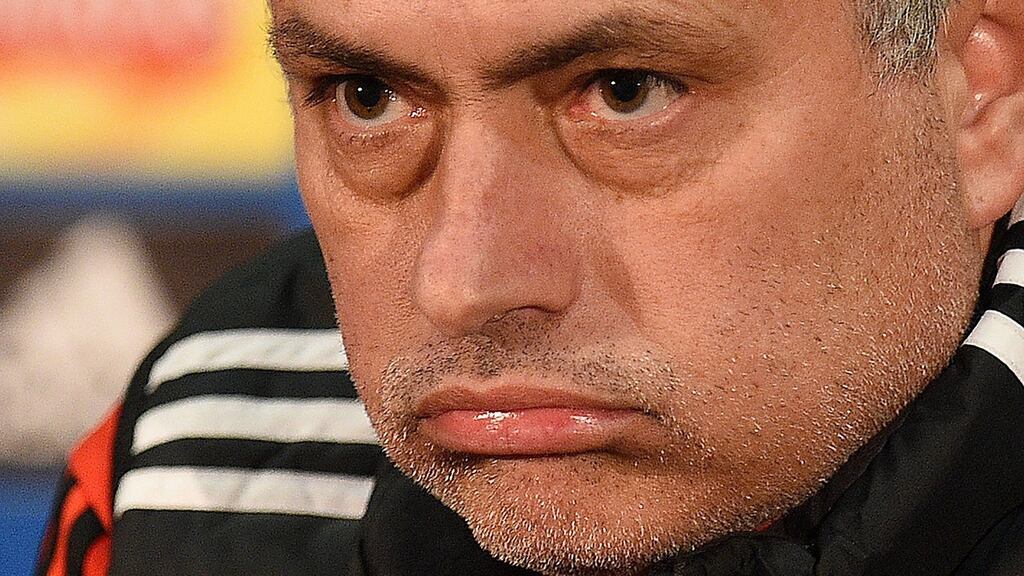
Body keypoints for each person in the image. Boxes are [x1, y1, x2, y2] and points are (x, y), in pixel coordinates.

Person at [36, 0, 1024, 575]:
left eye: (626, 90)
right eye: (365, 97)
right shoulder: (207, 444)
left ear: (981, 99)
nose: (461, 283)